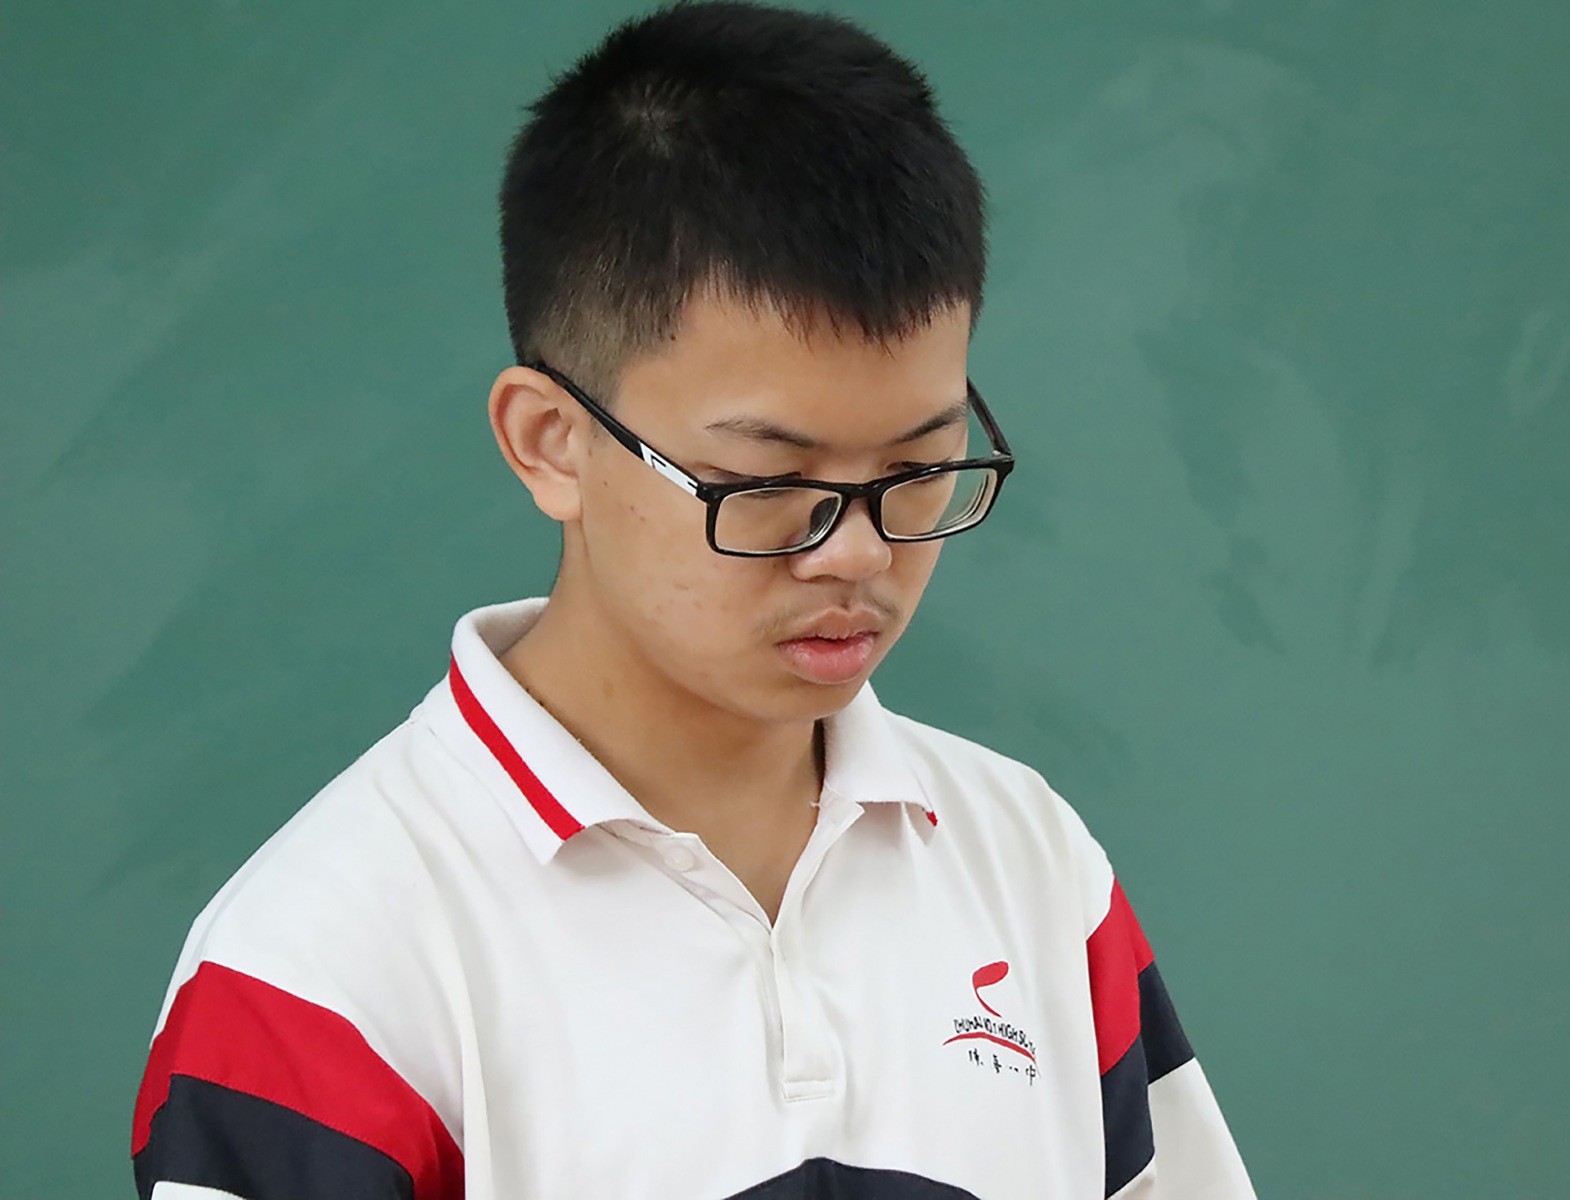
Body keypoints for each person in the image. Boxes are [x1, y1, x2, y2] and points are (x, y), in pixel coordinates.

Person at [130, 4, 1256, 1197]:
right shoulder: (323, 969)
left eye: (919, 468)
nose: (856, 554)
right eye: (767, 484)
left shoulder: (1028, 864)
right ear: (552, 441)